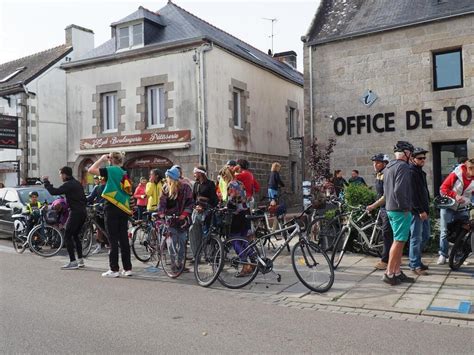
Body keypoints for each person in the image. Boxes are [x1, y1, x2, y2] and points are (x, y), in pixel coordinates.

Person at [88, 152, 133, 278]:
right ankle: (127, 268)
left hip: (112, 206)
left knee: (112, 238)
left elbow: (91, 170)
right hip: (123, 206)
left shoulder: (111, 170)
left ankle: (114, 269)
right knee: (123, 238)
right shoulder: (124, 171)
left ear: (111, 159)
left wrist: (101, 159)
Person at [382, 141, 415, 285]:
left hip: (390, 208)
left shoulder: (389, 166)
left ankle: (396, 271)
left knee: (399, 241)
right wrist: (405, 207)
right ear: (406, 153)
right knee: (398, 241)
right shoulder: (403, 166)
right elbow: (399, 190)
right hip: (400, 210)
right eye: (411, 153)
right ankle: (389, 273)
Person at [42, 166, 87, 270]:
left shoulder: (68, 185)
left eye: (60, 174)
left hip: (75, 213)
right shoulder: (77, 183)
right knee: (75, 236)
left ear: (65, 174)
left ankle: (73, 262)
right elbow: (84, 199)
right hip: (82, 212)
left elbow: (54, 191)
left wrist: (46, 182)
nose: (60, 176)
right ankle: (80, 260)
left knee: (67, 235)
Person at [437, 158, 474, 265]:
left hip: (463, 207)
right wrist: (455, 195)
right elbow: (443, 188)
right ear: (469, 168)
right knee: (445, 231)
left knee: (461, 231)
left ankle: (457, 254)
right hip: (448, 206)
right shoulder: (456, 174)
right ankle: (443, 254)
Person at [157, 166, 194, 272]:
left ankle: (180, 263)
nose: (167, 179)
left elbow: (190, 202)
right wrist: (162, 214)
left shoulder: (185, 188)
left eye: (168, 177)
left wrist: (185, 213)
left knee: (182, 242)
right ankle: (173, 264)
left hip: (182, 221)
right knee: (172, 243)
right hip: (170, 220)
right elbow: (162, 203)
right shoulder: (165, 188)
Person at [366, 154, 393, 271]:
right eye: (374, 163)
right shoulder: (379, 174)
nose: (374, 165)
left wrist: (373, 206)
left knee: (387, 235)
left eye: (377, 163)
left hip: (387, 208)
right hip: (382, 208)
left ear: (385, 163)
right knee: (387, 234)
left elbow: (385, 196)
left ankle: (385, 261)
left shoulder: (386, 174)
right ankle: (393, 257)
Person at [409, 147, 431, 275]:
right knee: (416, 238)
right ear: (412, 159)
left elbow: (423, 192)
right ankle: (414, 265)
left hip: (424, 210)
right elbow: (413, 195)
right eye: (420, 158)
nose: (423, 160)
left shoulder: (420, 172)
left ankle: (416, 260)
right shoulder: (411, 172)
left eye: (424, 158)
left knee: (425, 236)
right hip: (416, 211)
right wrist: (420, 210)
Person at [189, 166, 218, 260]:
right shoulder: (196, 184)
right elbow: (192, 199)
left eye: (195, 172)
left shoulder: (210, 184)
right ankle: (196, 256)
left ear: (200, 173)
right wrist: (195, 206)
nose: (194, 175)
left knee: (207, 235)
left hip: (207, 212)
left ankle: (208, 255)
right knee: (194, 233)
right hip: (196, 212)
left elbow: (214, 200)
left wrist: (205, 203)